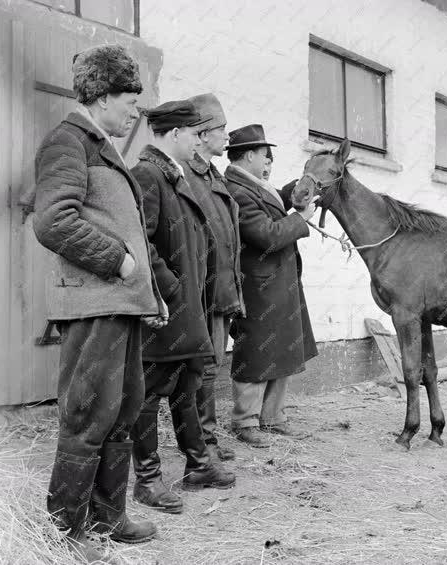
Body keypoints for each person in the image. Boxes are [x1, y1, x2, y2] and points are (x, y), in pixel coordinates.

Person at [33, 44, 166, 561]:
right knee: (89, 414)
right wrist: (121, 263)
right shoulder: (68, 142)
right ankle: (64, 532)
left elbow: (120, 224)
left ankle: (108, 519)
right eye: (130, 99)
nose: (135, 111)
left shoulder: (101, 145)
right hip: (93, 305)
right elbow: (53, 222)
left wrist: (147, 294)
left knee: (122, 411)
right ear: (102, 95)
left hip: (120, 304)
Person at [129, 99, 236, 515]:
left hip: (187, 308)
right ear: (174, 134)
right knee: (150, 394)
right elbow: (141, 242)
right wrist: (170, 291)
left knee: (187, 387)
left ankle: (198, 466)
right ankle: (148, 479)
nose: (199, 142)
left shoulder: (173, 176)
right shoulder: (148, 175)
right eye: (194, 134)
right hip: (166, 311)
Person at [224, 124, 319, 448]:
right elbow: (266, 233)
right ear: (249, 155)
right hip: (258, 286)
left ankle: (273, 416)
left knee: (283, 348)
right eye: (267, 157)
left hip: (275, 281)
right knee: (255, 350)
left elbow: (272, 203)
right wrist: (301, 218)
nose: (270, 163)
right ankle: (245, 421)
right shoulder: (236, 190)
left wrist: (298, 187)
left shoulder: (251, 185)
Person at [184, 94, 243, 462]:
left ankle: (206, 438)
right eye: (221, 129)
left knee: (210, 366)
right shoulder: (188, 174)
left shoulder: (211, 174)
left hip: (218, 287)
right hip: (199, 290)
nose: (227, 136)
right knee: (200, 368)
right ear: (202, 134)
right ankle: (200, 442)